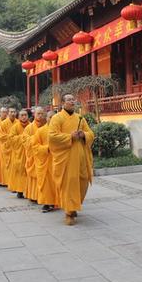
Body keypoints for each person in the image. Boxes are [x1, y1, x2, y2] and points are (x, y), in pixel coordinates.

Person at [49, 94, 94, 225]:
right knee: (69, 185)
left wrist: (83, 134)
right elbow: (52, 137)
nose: (72, 101)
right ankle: (69, 212)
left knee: (83, 183)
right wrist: (70, 137)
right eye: (69, 100)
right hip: (66, 159)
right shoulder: (57, 118)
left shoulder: (80, 118)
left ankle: (74, 205)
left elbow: (91, 134)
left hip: (80, 157)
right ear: (62, 103)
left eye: (73, 99)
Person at [33, 110, 58, 213]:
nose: (51, 119)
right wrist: (46, 148)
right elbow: (35, 146)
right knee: (46, 184)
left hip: (57, 161)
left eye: (54, 117)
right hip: (45, 161)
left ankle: (57, 201)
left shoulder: (60, 131)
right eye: (49, 117)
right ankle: (47, 203)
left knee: (57, 183)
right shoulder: (40, 131)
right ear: (46, 118)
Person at [23, 107, 45, 202]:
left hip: (44, 155)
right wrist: (36, 139)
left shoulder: (47, 126)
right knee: (34, 177)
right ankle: (34, 196)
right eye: (38, 114)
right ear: (34, 115)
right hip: (33, 156)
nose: (40, 116)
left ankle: (45, 197)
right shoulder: (29, 128)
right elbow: (24, 141)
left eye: (42, 114)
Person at [8, 110, 30, 198]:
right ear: (19, 116)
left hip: (29, 152)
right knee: (19, 172)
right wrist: (23, 138)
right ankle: (20, 190)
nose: (24, 117)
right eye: (22, 115)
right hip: (19, 153)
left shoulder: (31, 125)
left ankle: (29, 191)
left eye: (25, 115)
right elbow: (11, 138)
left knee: (29, 172)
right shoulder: (15, 127)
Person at [0, 107, 17, 188]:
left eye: (14, 112)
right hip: (7, 148)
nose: (13, 113)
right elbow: (1, 136)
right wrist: (11, 137)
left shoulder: (18, 122)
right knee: (7, 166)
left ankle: (14, 183)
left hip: (17, 148)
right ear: (8, 113)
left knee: (15, 167)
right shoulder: (3, 124)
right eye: (11, 112)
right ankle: (7, 182)